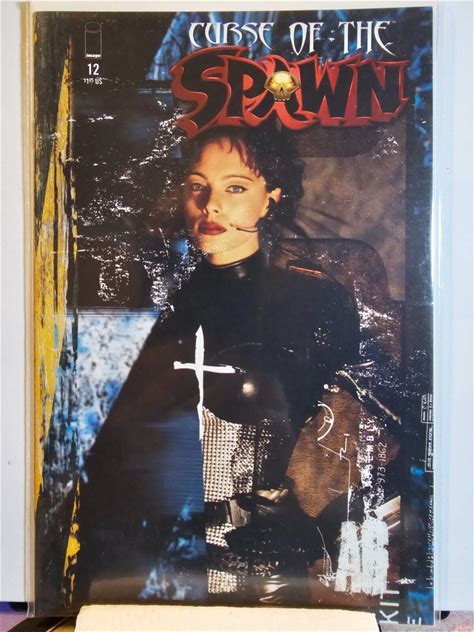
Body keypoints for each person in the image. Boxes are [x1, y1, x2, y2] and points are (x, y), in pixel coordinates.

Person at [74, 124, 360, 606]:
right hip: (147, 575)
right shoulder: (151, 308)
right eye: (197, 186)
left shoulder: (318, 303)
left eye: (235, 188)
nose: (211, 205)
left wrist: (313, 523)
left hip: (265, 577)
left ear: (271, 199)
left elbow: (368, 438)